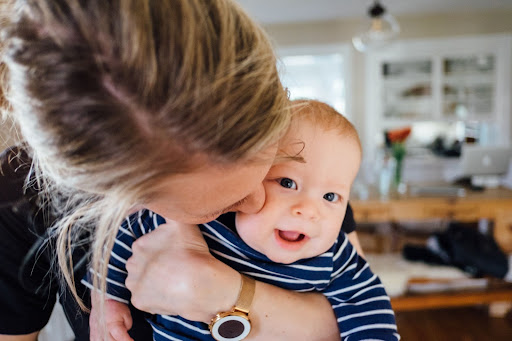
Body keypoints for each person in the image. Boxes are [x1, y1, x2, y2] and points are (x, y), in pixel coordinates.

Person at [0, 1, 364, 340]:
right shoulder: (16, 200)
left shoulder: (308, 169)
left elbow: (362, 311)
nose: (259, 201)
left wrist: (226, 295)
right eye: (223, 204)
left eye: (272, 170)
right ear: (120, 196)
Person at [89, 100, 399, 341]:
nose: (308, 209)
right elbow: (124, 236)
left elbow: (367, 303)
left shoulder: (334, 255)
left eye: (331, 197)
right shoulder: (206, 219)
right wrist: (107, 299)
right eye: (287, 183)